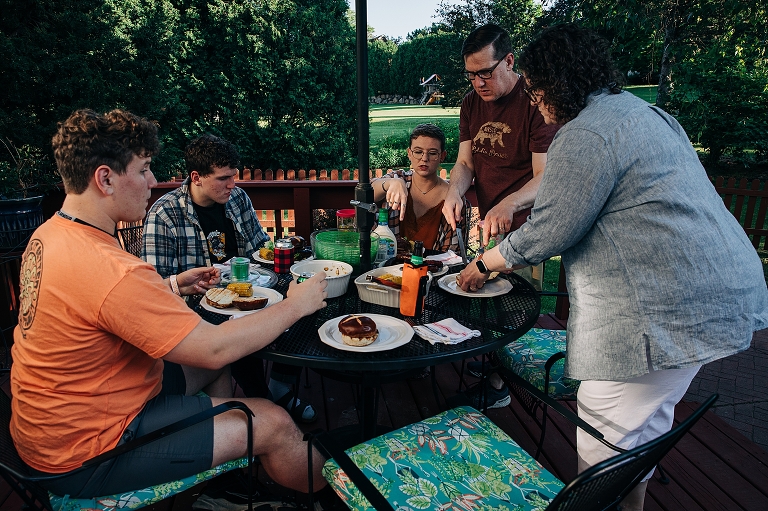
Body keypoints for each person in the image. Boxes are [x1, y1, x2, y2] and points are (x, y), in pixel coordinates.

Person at [457, 24, 768, 511]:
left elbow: (552, 228)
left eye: (537, 89)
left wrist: (484, 263)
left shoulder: (585, 134)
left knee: (601, 444)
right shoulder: (647, 114)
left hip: (661, 312)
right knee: (645, 428)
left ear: (558, 84)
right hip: (722, 293)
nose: (534, 101)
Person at [10, 109, 329, 500]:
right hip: (89, 453)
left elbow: (99, 303)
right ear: (105, 179)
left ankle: (219, 485)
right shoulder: (113, 268)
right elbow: (214, 348)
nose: (153, 181)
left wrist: (174, 284)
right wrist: (297, 304)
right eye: (144, 169)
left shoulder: (49, 235)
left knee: (215, 370)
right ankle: (331, 493)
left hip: (52, 425)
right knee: (273, 421)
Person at [142, 134, 317, 423]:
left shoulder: (237, 198)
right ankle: (264, 402)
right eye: (223, 178)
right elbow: (156, 285)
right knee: (242, 328)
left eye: (233, 176)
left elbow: (259, 247)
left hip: (252, 288)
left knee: (302, 301)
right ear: (196, 177)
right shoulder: (164, 214)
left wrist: (288, 256)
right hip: (200, 309)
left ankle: (279, 385)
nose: (232, 184)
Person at [443, 23, 560, 408]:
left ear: (509, 61)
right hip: (490, 223)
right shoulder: (470, 103)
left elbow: (544, 177)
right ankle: (495, 363)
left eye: (486, 72)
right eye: (471, 75)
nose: (478, 83)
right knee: (483, 297)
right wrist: (454, 191)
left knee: (512, 308)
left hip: (527, 230)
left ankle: (500, 387)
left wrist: (509, 203)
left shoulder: (534, 103)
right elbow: (464, 163)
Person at [371, 123, 470, 252]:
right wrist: (390, 183)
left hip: (435, 264)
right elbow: (366, 193)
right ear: (409, 153)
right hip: (388, 263)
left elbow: (453, 254)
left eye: (432, 153)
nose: (424, 158)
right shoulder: (399, 179)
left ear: (442, 156)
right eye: (418, 152)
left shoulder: (452, 197)